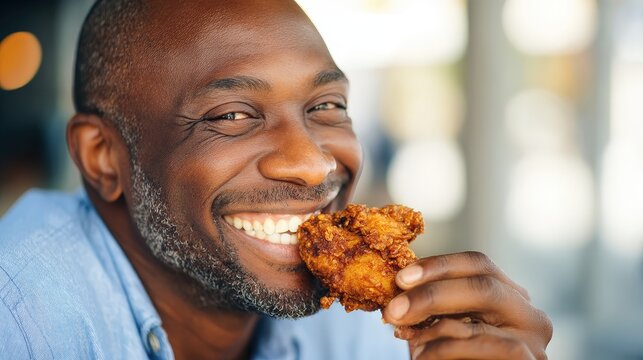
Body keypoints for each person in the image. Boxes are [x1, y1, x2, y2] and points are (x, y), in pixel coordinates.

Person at [0, 0, 552, 359]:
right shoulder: (21, 324)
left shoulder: (362, 330)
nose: (313, 163)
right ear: (102, 157)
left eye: (327, 105)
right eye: (233, 115)